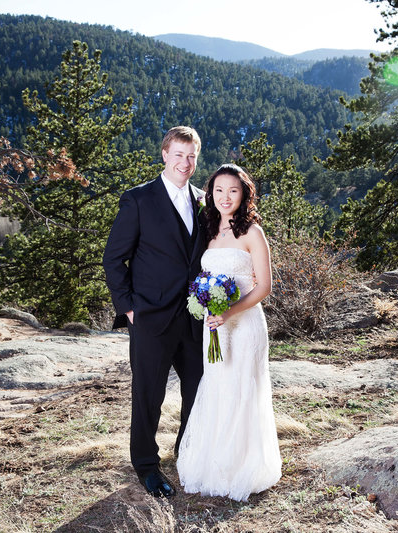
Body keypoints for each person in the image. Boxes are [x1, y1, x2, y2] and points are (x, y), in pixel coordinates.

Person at [103, 126, 207, 498]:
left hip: (194, 318)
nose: (185, 162)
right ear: (164, 155)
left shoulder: (203, 200)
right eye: (178, 154)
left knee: (199, 389)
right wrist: (128, 309)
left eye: (191, 155)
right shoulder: (139, 199)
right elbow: (114, 258)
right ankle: (146, 465)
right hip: (150, 317)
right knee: (149, 395)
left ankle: (187, 452)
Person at [176, 163, 282, 501]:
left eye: (233, 191)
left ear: (243, 194)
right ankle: (215, 462)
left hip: (245, 324)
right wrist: (207, 307)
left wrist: (229, 312)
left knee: (242, 389)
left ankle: (241, 466)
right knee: (218, 386)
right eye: (219, 190)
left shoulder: (252, 233)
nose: (225, 197)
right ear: (211, 194)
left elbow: (264, 286)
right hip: (215, 327)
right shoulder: (207, 231)